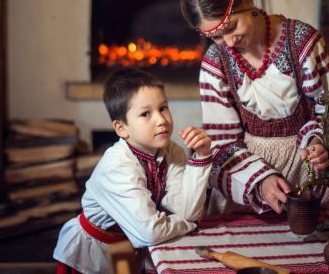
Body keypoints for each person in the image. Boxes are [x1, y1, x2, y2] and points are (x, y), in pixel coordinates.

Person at [180, 0, 329, 215]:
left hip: (308, 171)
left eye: (231, 27)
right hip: (246, 176)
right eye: (216, 36)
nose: (229, 42)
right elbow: (221, 141)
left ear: (247, 1)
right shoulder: (215, 62)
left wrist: (317, 142)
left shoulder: (302, 43)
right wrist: (260, 180)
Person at [53, 66, 213, 274]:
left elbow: (187, 209)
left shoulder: (171, 151)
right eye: (146, 114)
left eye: (163, 107)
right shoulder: (118, 165)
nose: (161, 120)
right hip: (92, 254)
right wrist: (188, 224)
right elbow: (151, 232)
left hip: (129, 245)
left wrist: (201, 157)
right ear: (122, 128)